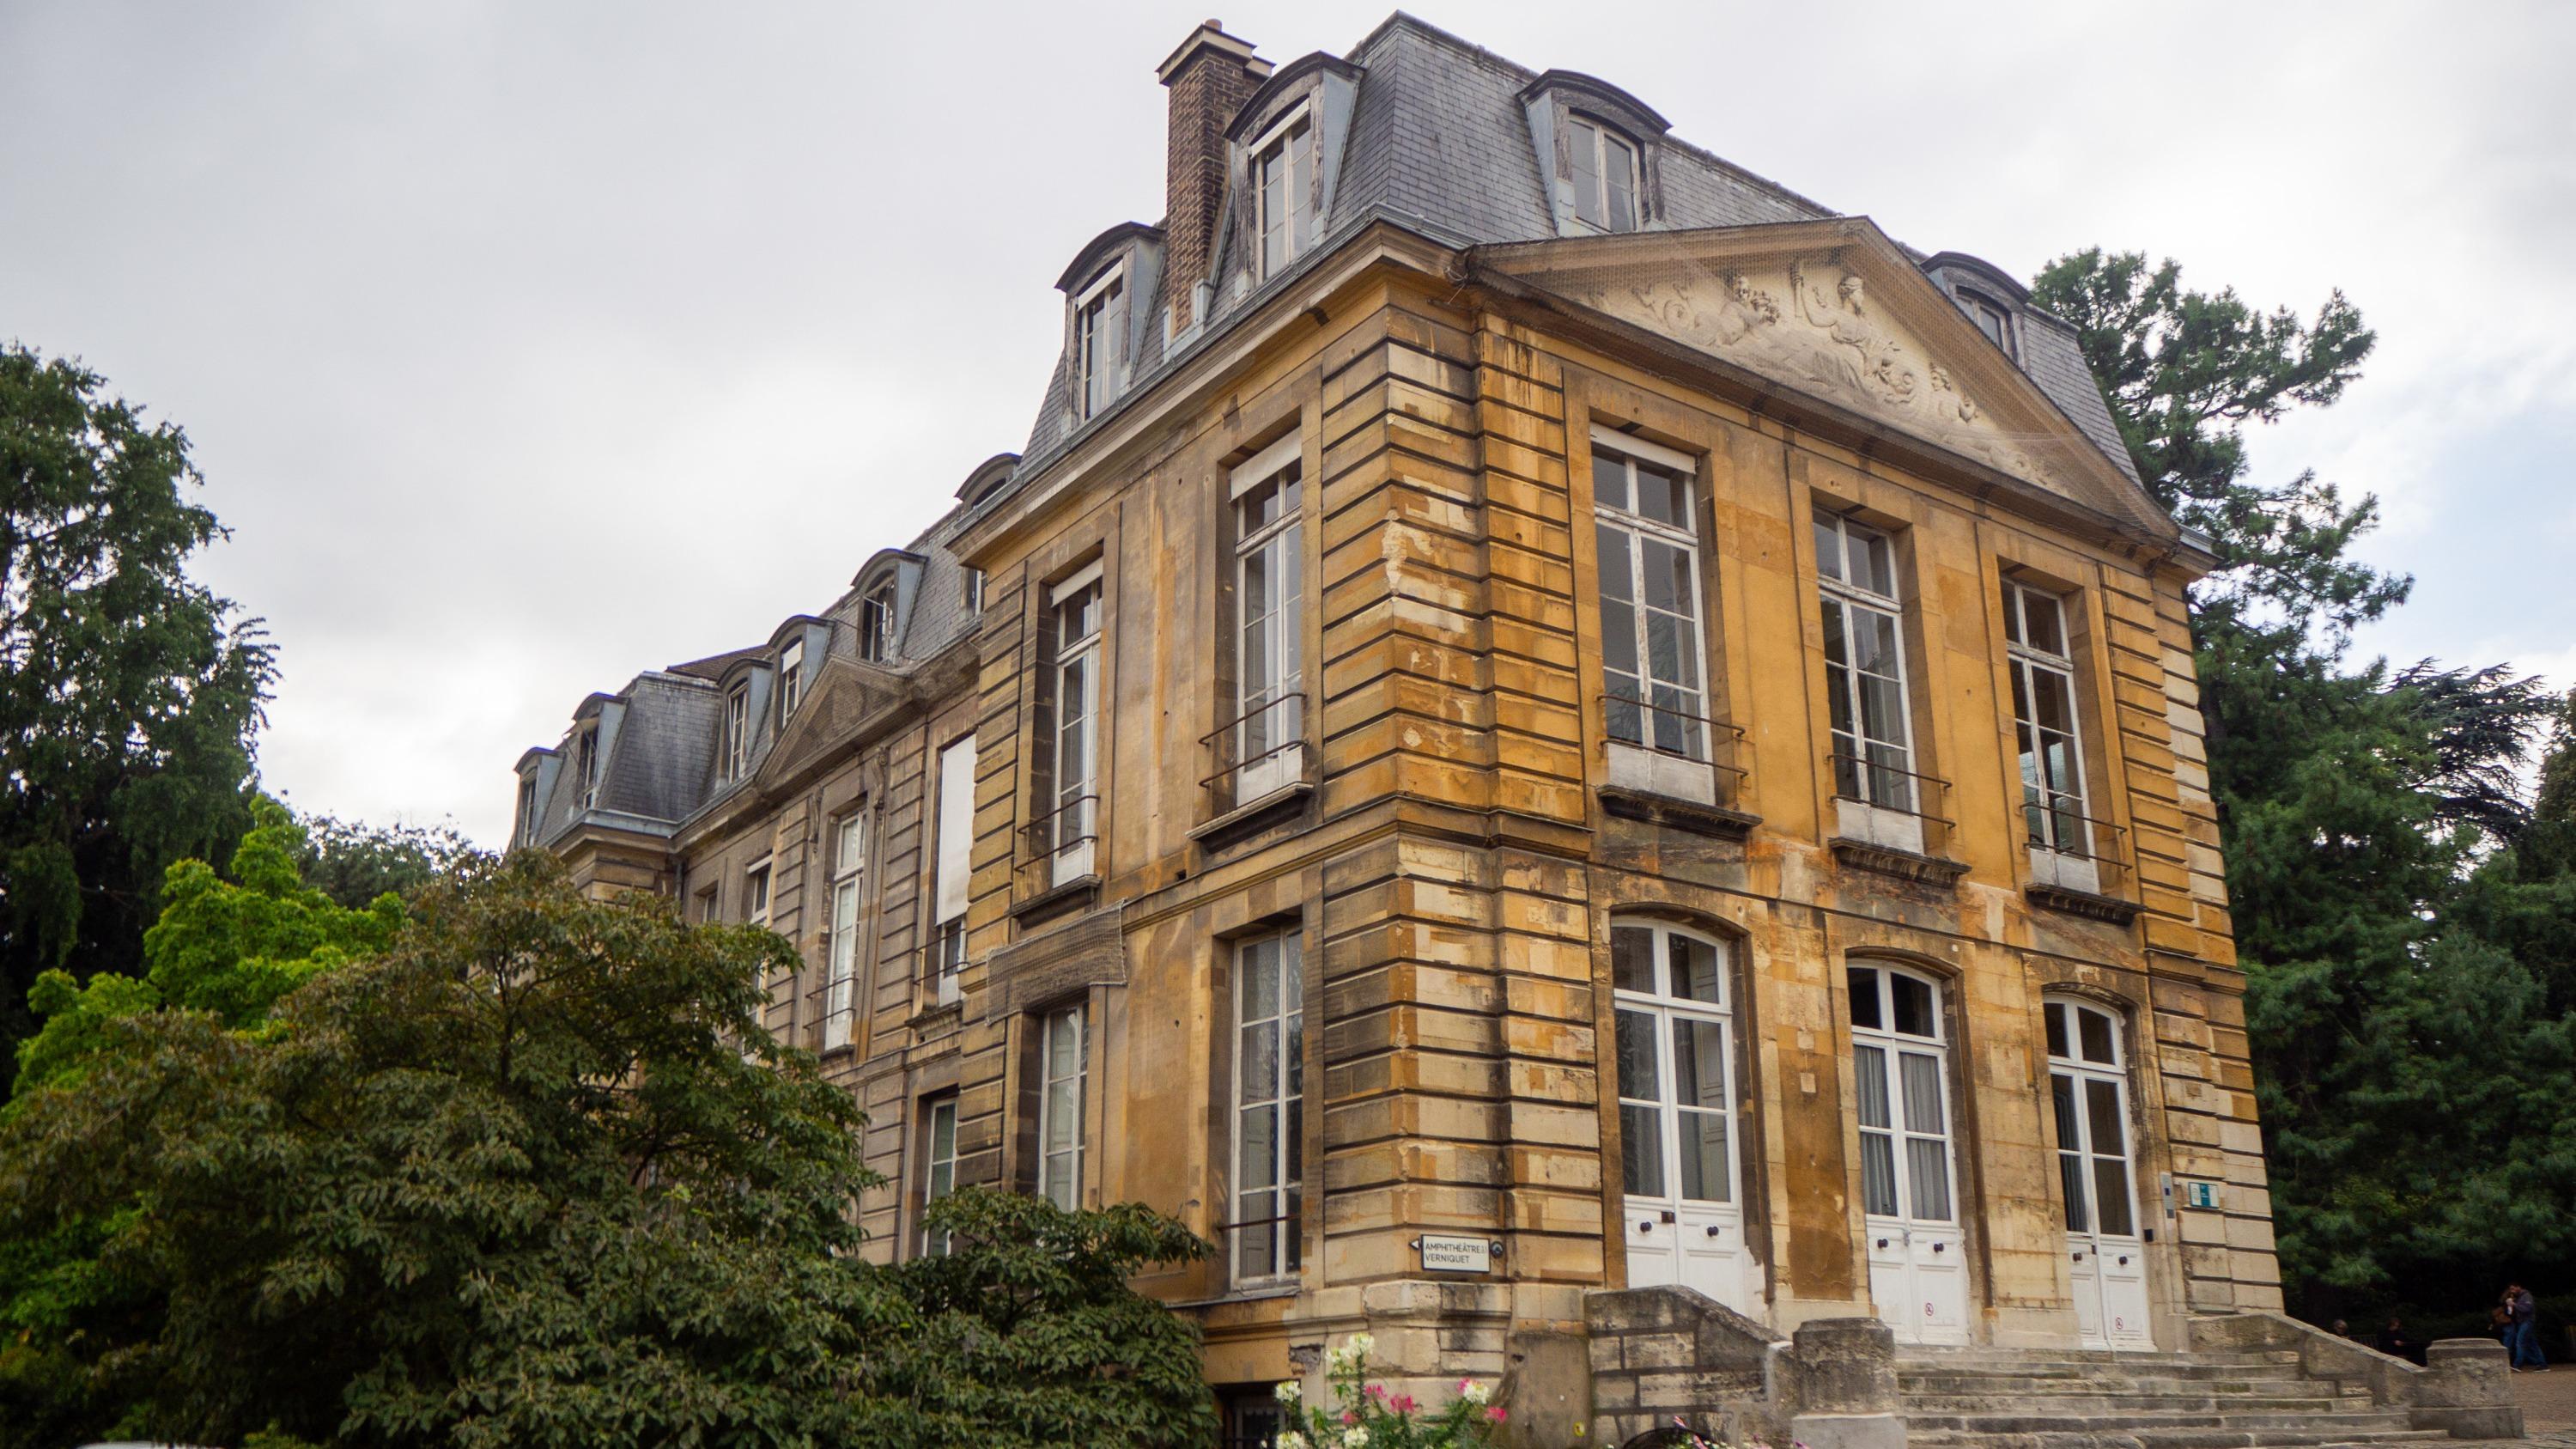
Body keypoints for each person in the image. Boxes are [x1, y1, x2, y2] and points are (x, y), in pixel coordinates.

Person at [2503, 1282, 2549, 1372]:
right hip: (2522, 1323)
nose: (2511, 1291)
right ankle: (2542, 1364)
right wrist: (2510, 1306)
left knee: (2520, 1342)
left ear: (2518, 1287)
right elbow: (2512, 1313)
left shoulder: (2526, 1296)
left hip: (2527, 1322)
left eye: (2513, 1289)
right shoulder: (2518, 1297)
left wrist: (2514, 1304)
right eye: (2510, 1289)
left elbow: (2527, 1309)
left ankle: (2517, 1365)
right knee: (2533, 1344)